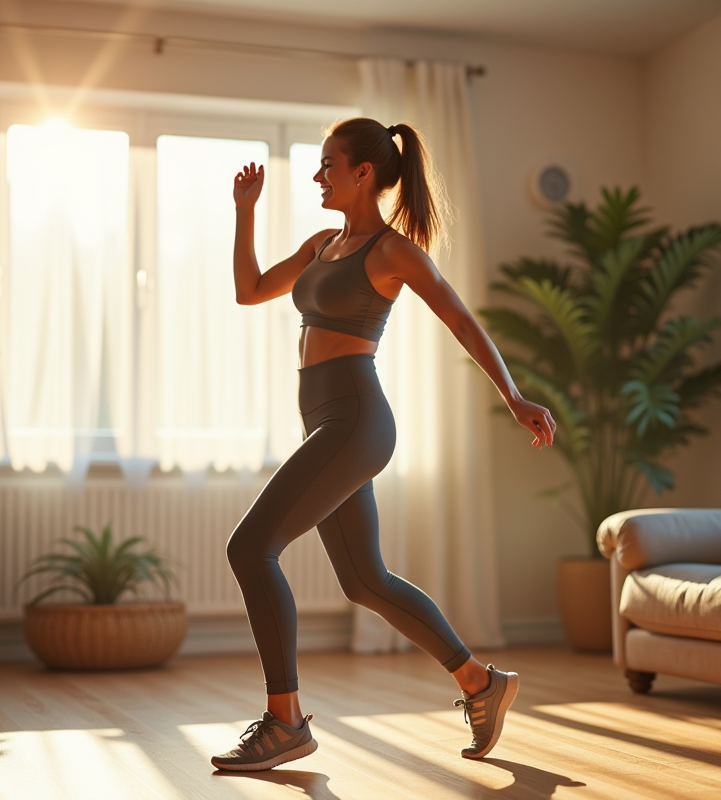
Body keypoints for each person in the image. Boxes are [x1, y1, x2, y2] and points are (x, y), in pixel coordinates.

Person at [212, 117, 556, 772]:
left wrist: (514, 397)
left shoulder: (391, 252)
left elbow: (459, 317)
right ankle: (481, 683)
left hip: (357, 423)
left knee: (250, 547)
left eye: (327, 165)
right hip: (328, 426)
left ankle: (285, 722)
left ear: (363, 173)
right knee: (365, 580)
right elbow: (249, 290)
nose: (318, 176)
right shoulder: (321, 245)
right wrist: (244, 214)